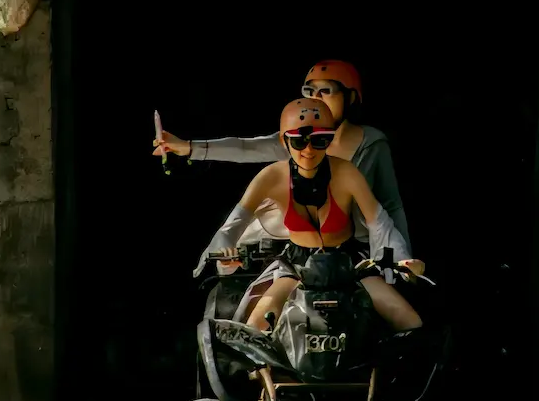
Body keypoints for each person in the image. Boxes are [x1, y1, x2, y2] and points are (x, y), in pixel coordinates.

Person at [193, 99, 422, 333]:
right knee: (255, 327)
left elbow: (379, 222)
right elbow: (233, 225)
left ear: (331, 139)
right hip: (296, 265)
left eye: (320, 140)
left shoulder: (347, 172)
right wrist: (225, 253)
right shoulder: (271, 177)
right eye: (299, 141)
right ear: (284, 141)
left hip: (349, 262)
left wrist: (400, 259)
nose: (309, 151)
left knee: (407, 319)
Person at [155, 59, 410, 255]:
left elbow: (391, 205)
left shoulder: (372, 145)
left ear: (351, 97)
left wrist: (402, 258)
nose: (316, 100)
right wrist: (189, 147)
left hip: (354, 246)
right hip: (295, 243)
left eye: (326, 91)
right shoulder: (296, 139)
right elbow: (247, 148)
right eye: (310, 91)